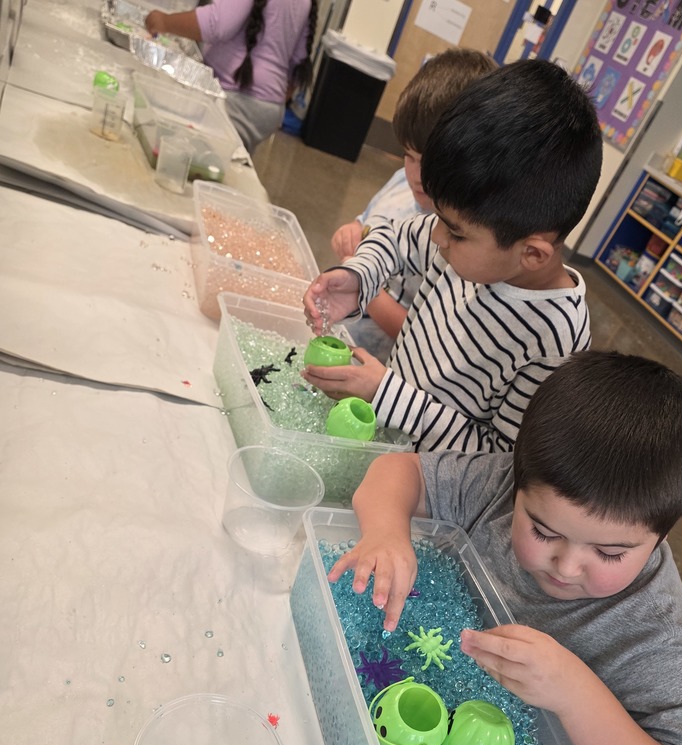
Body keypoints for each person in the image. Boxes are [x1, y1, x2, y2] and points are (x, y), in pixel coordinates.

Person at [327, 351, 682, 745]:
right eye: (542, 530)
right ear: (517, 483)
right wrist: (386, 532)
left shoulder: (654, 633)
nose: (566, 565)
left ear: (662, 535)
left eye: (609, 552)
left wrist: (575, 692)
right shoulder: (497, 485)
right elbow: (398, 472)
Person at [303, 59, 602, 453]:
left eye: (455, 231)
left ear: (532, 253)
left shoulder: (555, 336)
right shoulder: (472, 244)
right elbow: (395, 238)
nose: (438, 236)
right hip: (388, 439)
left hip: (428, 485)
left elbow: (496, 458)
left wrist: (389, 395)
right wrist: (360, 276)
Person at [332, 48, 497, 362]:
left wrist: (362, 283)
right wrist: (351, 232)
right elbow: (364, 222)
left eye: (430, 162)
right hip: (343, 334)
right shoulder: (400, 181)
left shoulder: (457, 241)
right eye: (409, 156)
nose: (415, 175)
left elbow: (421, 332)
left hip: (381, 373)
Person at [145, 0, 317, 153]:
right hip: (269, 107)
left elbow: (216, 24)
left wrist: (164, 22)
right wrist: (271, 97)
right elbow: (298, 63)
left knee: (187, 157)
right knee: (227, 163)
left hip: (237, 100)